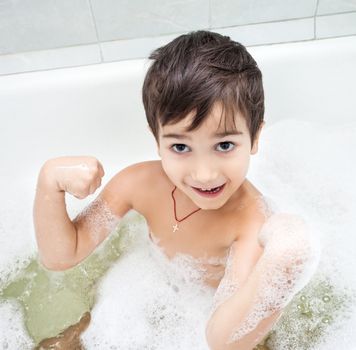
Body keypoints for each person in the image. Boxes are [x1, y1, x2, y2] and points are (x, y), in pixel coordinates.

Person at [33, 30, 320, 350]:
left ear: (254, 139)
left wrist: (281, 267)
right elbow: (62, 255)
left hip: (228, 319)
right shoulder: (137, 183)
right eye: (181, 147)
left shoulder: (251, 222)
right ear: (156, 140)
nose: (204, 173)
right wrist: (50, 183)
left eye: (224, 145)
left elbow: (222, 341)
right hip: (144, 297)